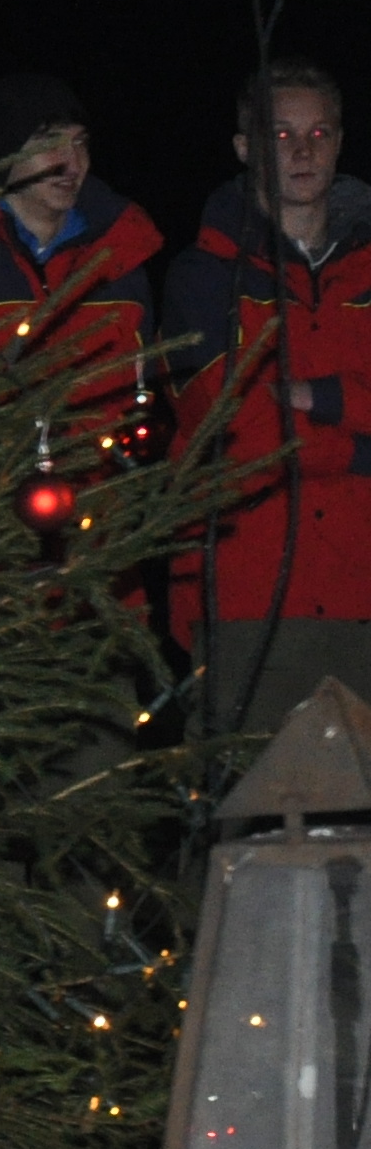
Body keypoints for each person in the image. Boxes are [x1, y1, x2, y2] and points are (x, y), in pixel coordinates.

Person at [161, 61, 371, 739]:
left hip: (363, 600)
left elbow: (276, 422)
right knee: (252, 798)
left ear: (340, 142)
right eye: (280, 135)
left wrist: (318, 397)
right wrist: (361, 450)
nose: (303, 150)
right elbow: (237, 433)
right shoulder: (204, 277)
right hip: (249, 606)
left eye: (318, 132)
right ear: (244, 147)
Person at [0, 74, 161, 400]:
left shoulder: (118, 254)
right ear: (4, 153)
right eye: (50, 143)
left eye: (80, 142)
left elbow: (141, 395)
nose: (73, 164)